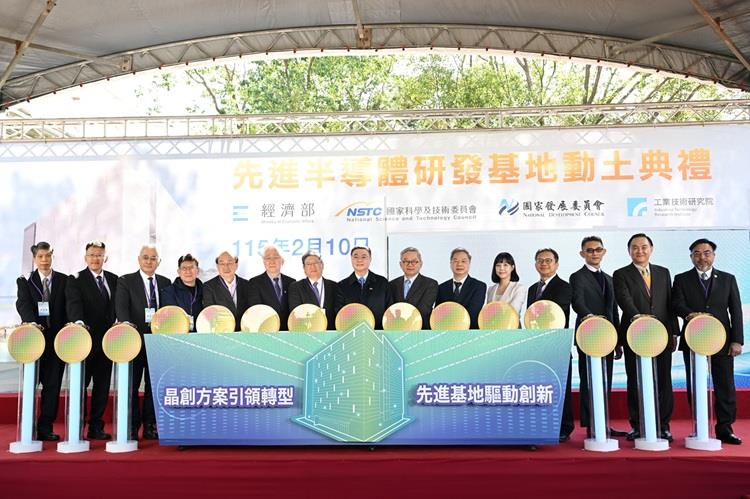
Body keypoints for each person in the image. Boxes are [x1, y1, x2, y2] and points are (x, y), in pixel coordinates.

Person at [672, 238, 743, 445]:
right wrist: (690, 314)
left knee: (725, 385)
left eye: (706, 253)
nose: (702, 257)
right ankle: (699, 426)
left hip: (722, 340)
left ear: (714, 255)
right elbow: (676, 304)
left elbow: (735, 311)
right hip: (693, 338)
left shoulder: (728, 279)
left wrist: (737, 340)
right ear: (691, 256)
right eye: (697, 253)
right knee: (695, 385)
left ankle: (725, 428)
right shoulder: (681, 279)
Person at [613, 233, 679, 442]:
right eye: (634, 247)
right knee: (636, 379)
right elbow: (624, 300)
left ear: (651, 249)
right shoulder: (620, 274)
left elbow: (669, 303)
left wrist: (674, 331)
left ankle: (663, 425)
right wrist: (640, 320)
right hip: (635, 333)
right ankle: (638, 425)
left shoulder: (663, 272)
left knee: (663, 380)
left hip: (662, 334)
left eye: (643, 247)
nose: (639, 251)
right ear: (629, 251)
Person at [569, 236, 625, 438]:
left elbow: (614, 310)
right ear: (582, 253)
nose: (594, 253)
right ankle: (592, 424)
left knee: (605, 379)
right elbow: (577, 302)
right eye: (589, 250)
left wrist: (618, 340)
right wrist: (591, 318)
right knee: (589, 380)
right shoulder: (577, 277)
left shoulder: (610, 278)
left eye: (598, 249)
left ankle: (603, 422)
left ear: (604, 252)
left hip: (608, 337)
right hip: (588, 334)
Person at [114, 244, 170, 440]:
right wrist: (128, 331)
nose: (149, 261)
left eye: (153, 258)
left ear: (159, 262)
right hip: (133, 341)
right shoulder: (125, 281)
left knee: (153, 386)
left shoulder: (165, 282)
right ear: (139, 259)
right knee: (131, 385)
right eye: (145, 257)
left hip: (157, 342)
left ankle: (150, 425)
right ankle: (131, 426)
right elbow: (121, 309)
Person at [15, 241, 69, 441]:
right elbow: (23, 304)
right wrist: (31, 323)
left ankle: (45, 427)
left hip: (57, 343)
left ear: (52, 256)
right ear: (34, 258)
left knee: (52, 386)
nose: (44, 260)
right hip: (33, 341)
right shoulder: (25, 281)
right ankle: (27, 427)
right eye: (40, 256)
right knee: (31, 385)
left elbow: (69, 306)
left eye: (48, 256)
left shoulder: (64, 280)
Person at [65, 241, 118, 440]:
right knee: (80, 386)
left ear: (105, 258)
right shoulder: (76, 279)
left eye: (99, 255)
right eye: (92, 255)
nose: (95, 258)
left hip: (107, 343)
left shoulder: (114, 279)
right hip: (84, 342)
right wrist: (79, 324)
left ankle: (96, 427)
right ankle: (77, 428)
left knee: (102, 388)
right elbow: (73, 304)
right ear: (85, 258)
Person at [527, 248, 573, 442]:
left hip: (557, 343)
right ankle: (544, 425)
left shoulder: (564, 286)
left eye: (548, 260)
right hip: (537, 346)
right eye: (540, 260)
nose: (544, 263)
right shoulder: (532, 289)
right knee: (542, 388)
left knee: (561, 387)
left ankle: (564, 427)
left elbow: (553, 312)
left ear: (556, 264)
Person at [338, 246, 392, 330]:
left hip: (378, 333)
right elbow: (340, 314)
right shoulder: (342, 285)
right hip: (352, 333)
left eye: (364, 257)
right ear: (351, 259)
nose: (359, 260)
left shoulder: (382, 282)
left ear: (370, 259)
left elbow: (389, 310)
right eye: (356, 257)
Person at [287, 251, 342, 330]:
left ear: (322, 265)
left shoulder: (334, 286)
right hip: (307, 331)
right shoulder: (296, 287)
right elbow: (296, 312)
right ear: (304, 268)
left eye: (316, 263)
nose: (312, 266)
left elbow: (338, 310)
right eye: (308, 264)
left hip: (330, 332)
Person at [436, 248, 486, 330]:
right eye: (455, 261)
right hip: (446, 332)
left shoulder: (479, 286)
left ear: (469, 264)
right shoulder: (441, 287)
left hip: (470, 332)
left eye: (463, 261)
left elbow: (473, 312)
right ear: (450, 264)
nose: (459, 264)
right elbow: (438, 314)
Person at [389, 247, 438, 329]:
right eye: (406, 261)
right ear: (400, 264)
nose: (410, 264)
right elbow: (390, 309)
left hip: (421, 329)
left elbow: (424, 309)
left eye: (414, 261)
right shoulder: (391, 285)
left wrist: (402, 317)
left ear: (421, 264)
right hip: (397, 329)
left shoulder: (430, 284)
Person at [247, 245, 295, 331]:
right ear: (263, 262)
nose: (272, 261)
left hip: (289, 331)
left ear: (282, 261)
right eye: (268, 258)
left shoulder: (292, 282)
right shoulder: (254, 283)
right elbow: (256, 310)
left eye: (276, 257)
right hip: (266, 330)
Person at [202, 250, 250, 331]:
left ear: (236, 265)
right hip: (222, 331)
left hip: (245, 331)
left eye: (230, 263)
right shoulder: (209, 287)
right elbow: (209, 312)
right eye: (222, 264)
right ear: (217, 266)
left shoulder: (247, 285)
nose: (226, 267)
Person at [161, 254, 203, 331]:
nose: (188, 271)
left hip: (201, 334)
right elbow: (169, 319)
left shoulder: (205, 290)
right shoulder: (168, 292)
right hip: (178, 334)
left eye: (191, 268)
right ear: (179, 271)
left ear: (197, 270)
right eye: (184, 268)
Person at [485, 251, 526, 319]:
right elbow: (487, 313)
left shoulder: (519, 288)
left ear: (512, 267)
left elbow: (513, 311)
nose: (501, 268)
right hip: (492, 325)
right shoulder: (491, 289)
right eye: (498, 265)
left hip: (511, 325)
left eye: (505, 265)